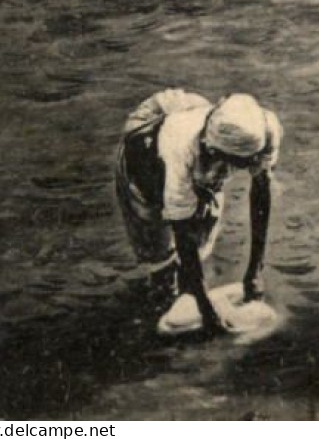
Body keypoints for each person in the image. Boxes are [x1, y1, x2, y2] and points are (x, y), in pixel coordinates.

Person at [113, 89, 280, 335]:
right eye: (230, 163)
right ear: (212, 150)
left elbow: (261, 196)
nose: (237, 171)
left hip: (195, 115)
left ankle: (187, 286)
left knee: (203, 222)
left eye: (242, 164)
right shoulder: (180, 149)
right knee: (157, 244)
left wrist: (255, 273)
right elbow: (181, 228)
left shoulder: (264, 129)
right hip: (147, 139)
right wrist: (206, 310)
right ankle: (167, 288)